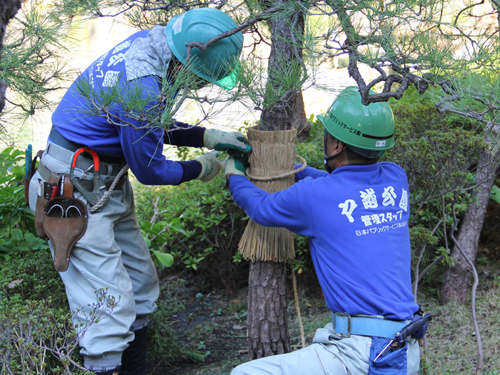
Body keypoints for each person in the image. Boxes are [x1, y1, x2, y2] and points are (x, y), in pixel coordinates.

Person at [28, 8, 250, 375]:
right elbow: (149, 169)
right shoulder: (142, 83)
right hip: (75, 195)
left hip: (104, 182)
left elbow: (145, 121)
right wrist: (201, 167)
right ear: (186, 64)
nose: (200, 87)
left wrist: (202, 134)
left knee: (142, 289)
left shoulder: (157, 42)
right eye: (200, 80)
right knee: (106, 313)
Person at [224, 86, 424, 375]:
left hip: (366, 354)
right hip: (402, 347)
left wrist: (234, 175)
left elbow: (261, 208)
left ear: (337, 146)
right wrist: (292, 169)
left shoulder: (316, 197)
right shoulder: (395, 177)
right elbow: (341, 187)